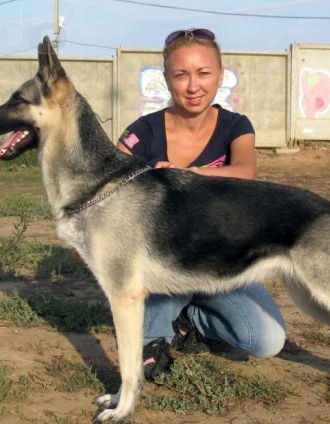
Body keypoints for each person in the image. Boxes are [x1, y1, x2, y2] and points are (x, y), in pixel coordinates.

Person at [117, 28, 287, 380]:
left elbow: (246, 173)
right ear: (166, 79)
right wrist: (147, 178)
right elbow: (112, 187)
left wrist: (185, 175)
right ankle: (152, 339)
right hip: (163, 265)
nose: (193, 86)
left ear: (220, 75)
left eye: (203, 73)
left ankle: (189, 321)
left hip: (223, 264)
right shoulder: (142, 132)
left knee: (266, 340)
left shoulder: (236, 126)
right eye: (181, 75)